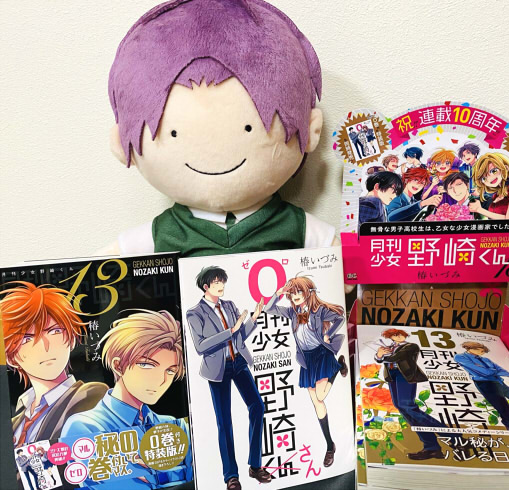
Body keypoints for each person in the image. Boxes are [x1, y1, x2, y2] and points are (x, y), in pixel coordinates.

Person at [99, 0, 338, 258]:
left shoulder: (291, 225)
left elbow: (341, 257)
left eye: (248, 128)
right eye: (174, 134)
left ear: (312, 131)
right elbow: (104, 269)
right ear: (121, 145)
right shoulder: (166, 232)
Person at [61, 309, 193, 488]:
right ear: (118, 366)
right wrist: (172, 474)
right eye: (147, 365)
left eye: (170, 370)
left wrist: (148, 474)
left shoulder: (173, 425)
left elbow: (197, 477)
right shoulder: (83, 427)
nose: (161, 380)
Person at [186, 267, 267, 490]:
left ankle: (255, 465)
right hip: (217, 368)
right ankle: (231, 476)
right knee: (224, 421)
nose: (221, 286)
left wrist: (254, 318)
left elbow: (240, 336)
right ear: (206, 287)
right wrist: (230, 330)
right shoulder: (195, 313)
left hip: (238, 362)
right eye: (216, 282)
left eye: (223, 281)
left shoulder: (229, 305)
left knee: (257, 406)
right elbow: (201, 346)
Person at [0, 282, 107, 448]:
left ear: (71, 340)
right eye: (27, 339)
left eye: (55, 331)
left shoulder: (90, 397)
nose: (45, 346)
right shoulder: (15, 423)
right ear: (11, 357)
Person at [265, 277, 347, 468]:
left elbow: (340, 318)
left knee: (320, 395)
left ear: (308, 291)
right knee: (317, 403)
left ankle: (337, 367)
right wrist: (278, 294)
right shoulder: (292, 312)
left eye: (299, 291)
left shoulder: (319, 310)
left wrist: (328, 334)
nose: (295, 296)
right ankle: (330, 446)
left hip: (321, 354)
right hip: (306, 359)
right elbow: (269, 309)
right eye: (292, 293)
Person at [375, 329, 466, 460]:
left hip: (405, 375)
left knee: (408, 406)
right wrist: (379, 355)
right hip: (392, 376)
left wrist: (381, 355)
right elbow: (380, 360)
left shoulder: (410, 346)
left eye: (401, 334)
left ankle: (455, 438)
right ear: (390, 337)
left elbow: (397, 357)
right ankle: (432, 448)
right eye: (395, 335)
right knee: (401, 407)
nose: (399, 336)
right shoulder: (388, 348)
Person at [469, 152, 509, 219]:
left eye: (493, 171)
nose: (489, 178)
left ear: (505, 168)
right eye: (484, 178)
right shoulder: (496, 195)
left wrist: (479, 210)